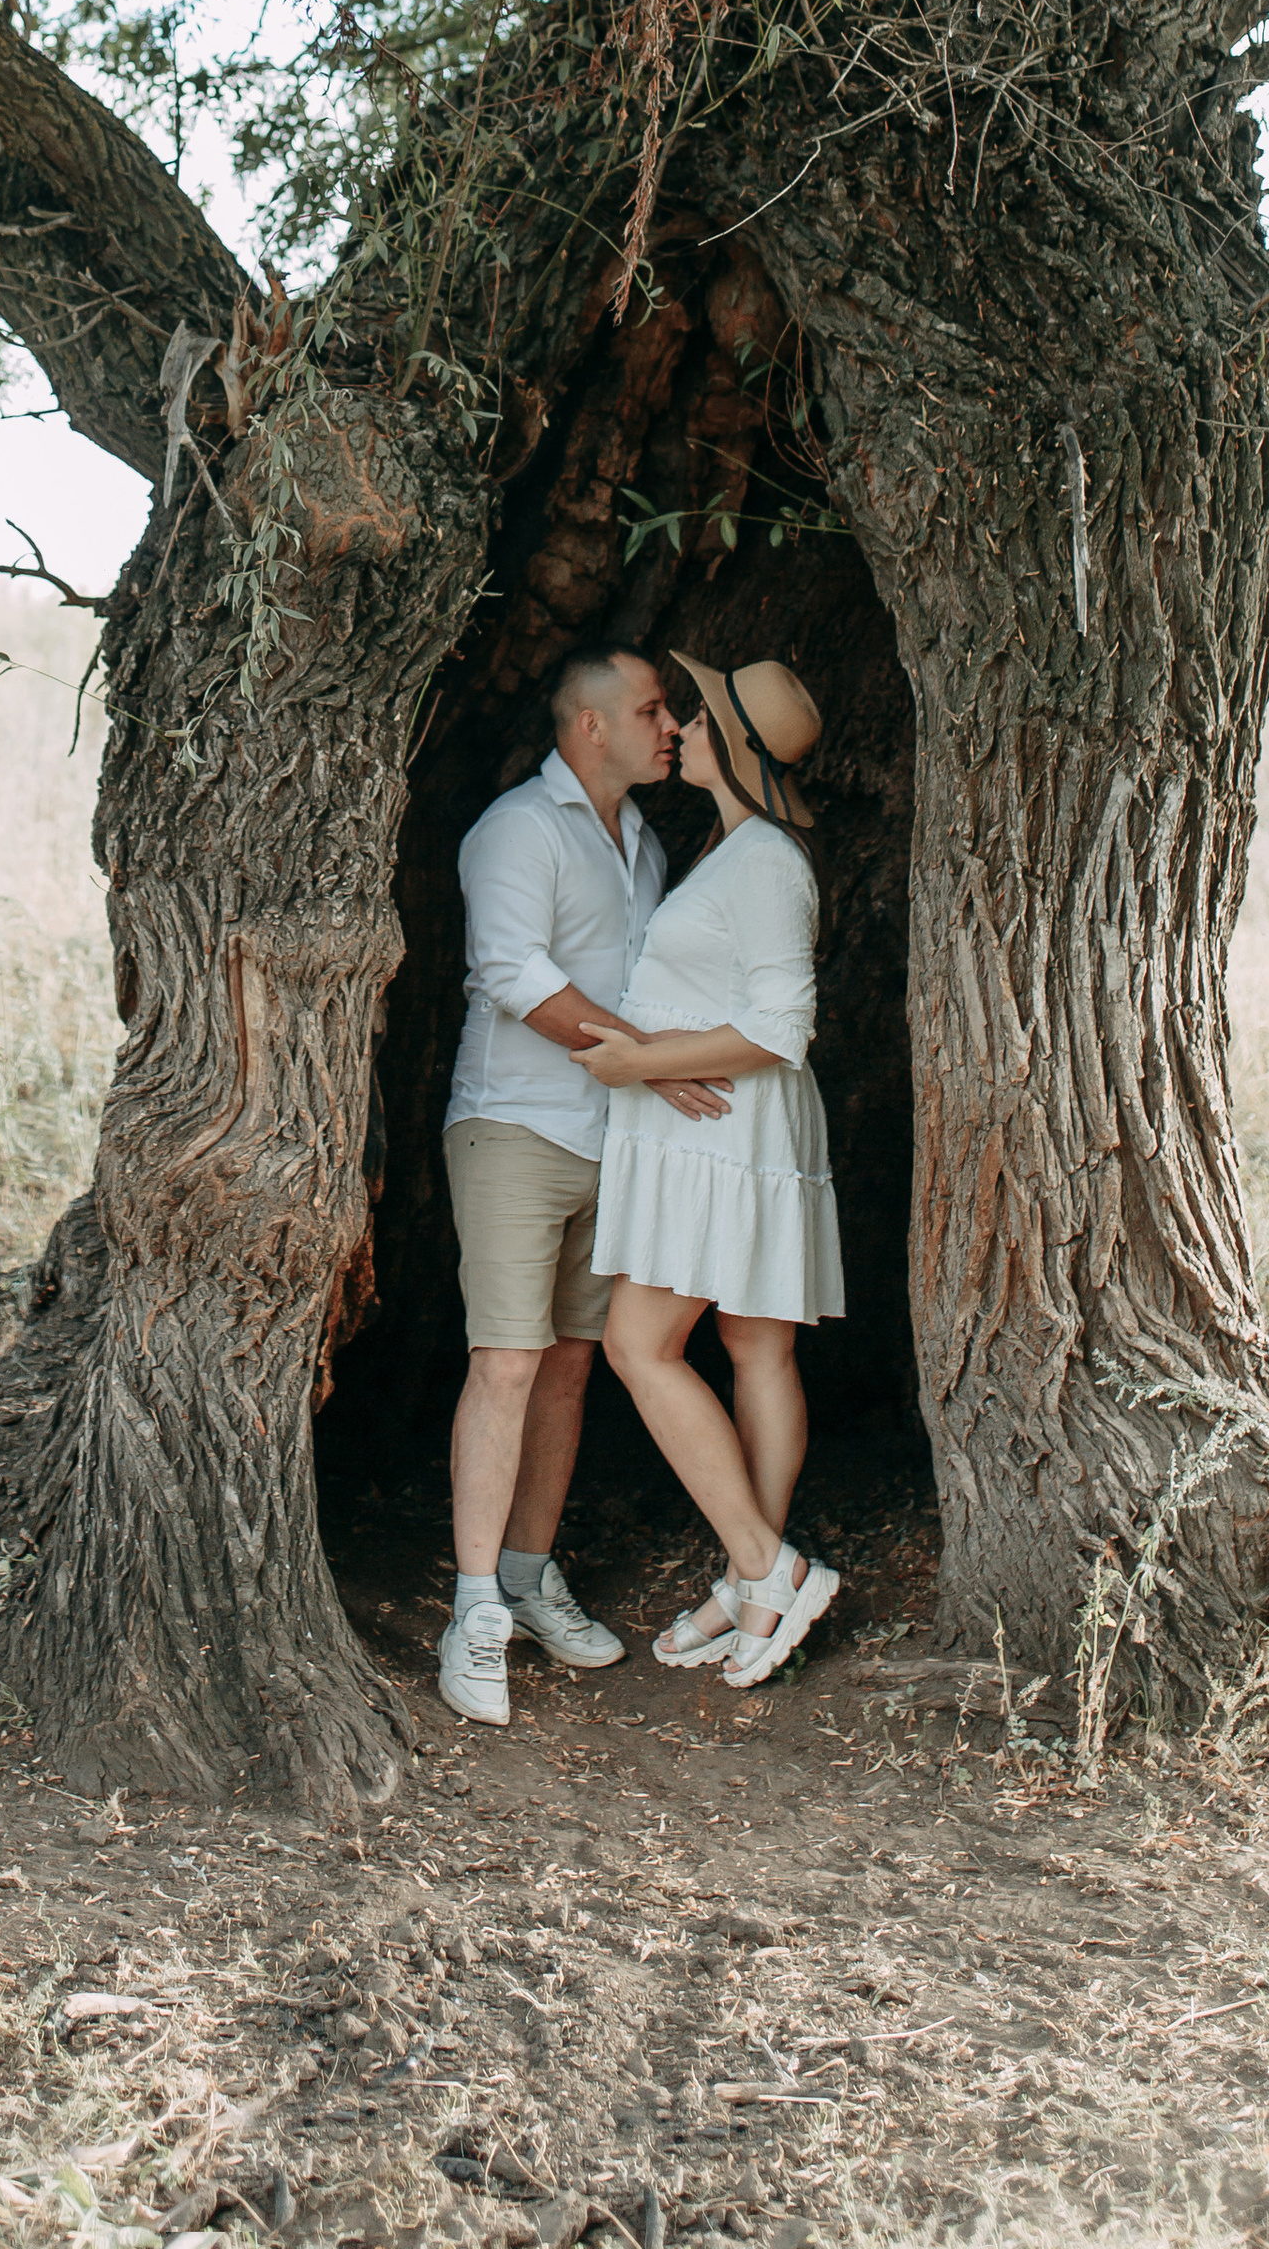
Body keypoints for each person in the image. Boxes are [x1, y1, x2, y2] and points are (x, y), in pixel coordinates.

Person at [437, 644, 729, 1727]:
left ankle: (525, 1574)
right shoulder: (518, 828)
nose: (670, 727)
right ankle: (471, 1613)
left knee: (567, 1369)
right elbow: (511, 975)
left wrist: (655, 1068)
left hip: (615, 1139)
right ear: (589, 725)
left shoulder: (640, 840)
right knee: (506, 1364)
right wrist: (653, 1055)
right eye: (652, 710)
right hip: (515, 1128)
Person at [576, 650, 846, 1689]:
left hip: (731, 1131)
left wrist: (645, 1063)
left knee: (640, 1344)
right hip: (723, 1130)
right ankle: (753, 1588)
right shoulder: (738, 852)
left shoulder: (767, 859)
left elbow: (781, 1026)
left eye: (695, 717)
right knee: (752, 1346)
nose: (677, 727)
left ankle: (764, 1565)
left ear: (730, 746)